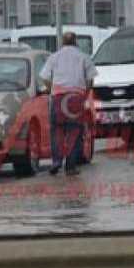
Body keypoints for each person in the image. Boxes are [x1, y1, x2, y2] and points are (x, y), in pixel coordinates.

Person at [39, 32, 98, 176]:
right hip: (75, 98)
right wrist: (84, 94)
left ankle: (56, 161)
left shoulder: (54, 57)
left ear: (62, 43)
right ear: (76, 42)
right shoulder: (84, 57)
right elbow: (90, 80)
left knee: (57, 130)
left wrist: (52, 89)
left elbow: (44, 77)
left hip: (58, 98)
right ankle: (70, 166)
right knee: (75, 131)